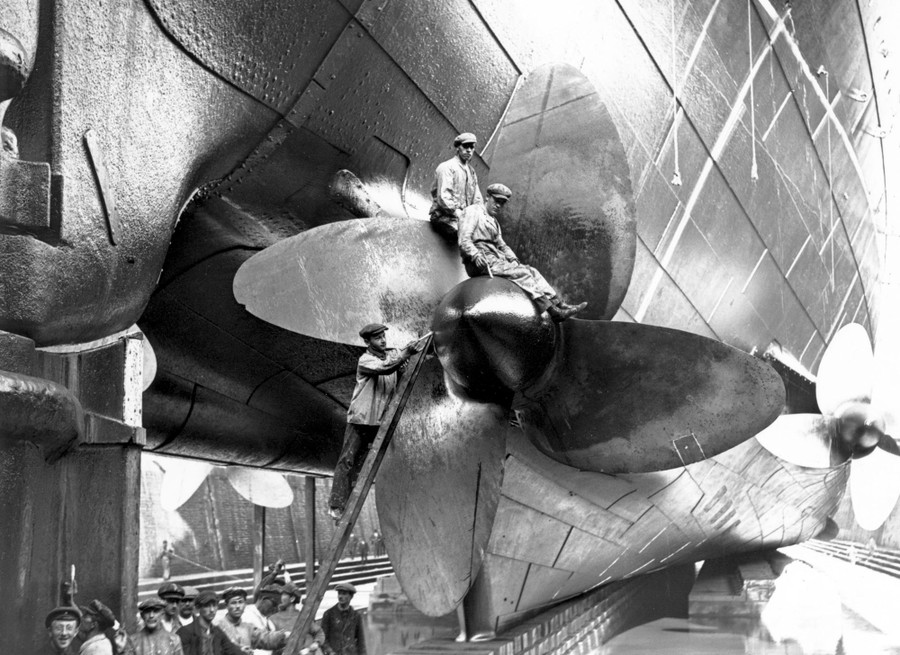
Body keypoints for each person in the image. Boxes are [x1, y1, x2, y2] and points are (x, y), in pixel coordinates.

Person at [328, 323, 424, 518]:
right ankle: (337, 505)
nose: (382, 340)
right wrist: (405, 353)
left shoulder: (390, 358)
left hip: (379, 422)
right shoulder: (366, 361)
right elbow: (385, 368)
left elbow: (396, 373)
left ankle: (349, 504)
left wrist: (404, 364)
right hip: (361, 420)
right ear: (367, 341)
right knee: (347, 460)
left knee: (363, 465)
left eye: (383, 336)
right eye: (377, 337)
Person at [458, 183, 587, 322]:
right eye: (496, 201)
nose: (498, 206)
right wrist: (476, 255)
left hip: (494, 259)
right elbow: (464, 239)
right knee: (522, 274)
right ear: (487, 197)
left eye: (502, 203)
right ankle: (552, 311)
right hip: (479, 261)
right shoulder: (473, 212)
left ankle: (559, 303)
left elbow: (502, 245)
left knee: (532, 271)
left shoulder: (494, 222)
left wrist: (513, 259)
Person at [429, 132, 484, 238]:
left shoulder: (471, 172)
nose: (469, 150)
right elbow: (443, 198)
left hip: (461, 218)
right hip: (444, 216)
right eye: (465, 146)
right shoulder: (447, 167)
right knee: (465, 234)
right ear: (458, 148)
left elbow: (477, 199)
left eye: (472, 147)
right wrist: (457, 213)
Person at [214, 588, 287, 653]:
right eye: (233, 603)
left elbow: (265, 638)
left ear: (245, 604)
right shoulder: (217, 627)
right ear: (226, 605)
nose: (237, 606)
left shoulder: (248, 628)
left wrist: (283, 637)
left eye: (240, 602)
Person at [177, 590, 245, 655]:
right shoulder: (185, 632)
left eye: (214, 605)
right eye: (207, 606)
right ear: (198, 608)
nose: (212, 610)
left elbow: (233, 650)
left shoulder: (217, 632)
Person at [321, 583, 365, 655]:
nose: (340, 596)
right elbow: (323, 638)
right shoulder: (328, 614)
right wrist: (330, 651)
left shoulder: (356, 616)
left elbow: (361, 641)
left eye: (344, 594)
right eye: (339, 594)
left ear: (351, 596)